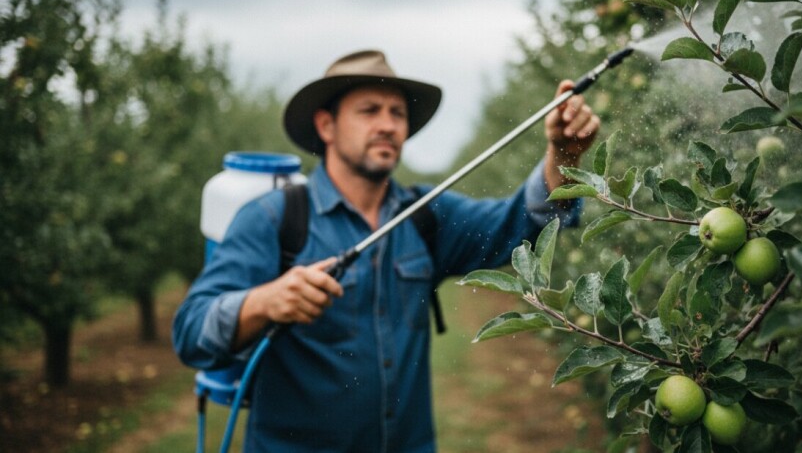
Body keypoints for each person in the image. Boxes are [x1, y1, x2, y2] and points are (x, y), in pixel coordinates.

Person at [173, 49, 600, 452]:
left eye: (397, 113)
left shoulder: (425, 216)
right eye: (369, 110)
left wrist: (562, 155)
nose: (388, 124)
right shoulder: (274, 220)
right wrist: (265, 301)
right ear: (326, 126)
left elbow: (524, 222)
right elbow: (191, 333)